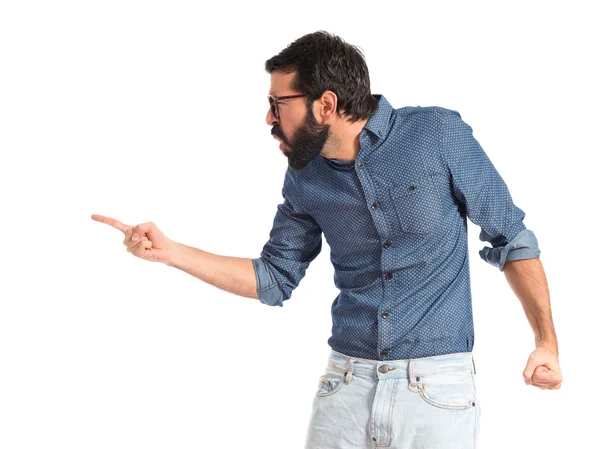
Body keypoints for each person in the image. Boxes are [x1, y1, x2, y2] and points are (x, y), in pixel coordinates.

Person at [91, 30, 562, 449]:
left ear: (327, 105)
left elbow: (510, 237)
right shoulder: (304, 175)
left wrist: (546, 342)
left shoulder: (435, 134)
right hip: (344, 387)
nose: (268, 118)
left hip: (436, 391)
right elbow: (273, 278)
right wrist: (172, 252)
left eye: (279, 104)